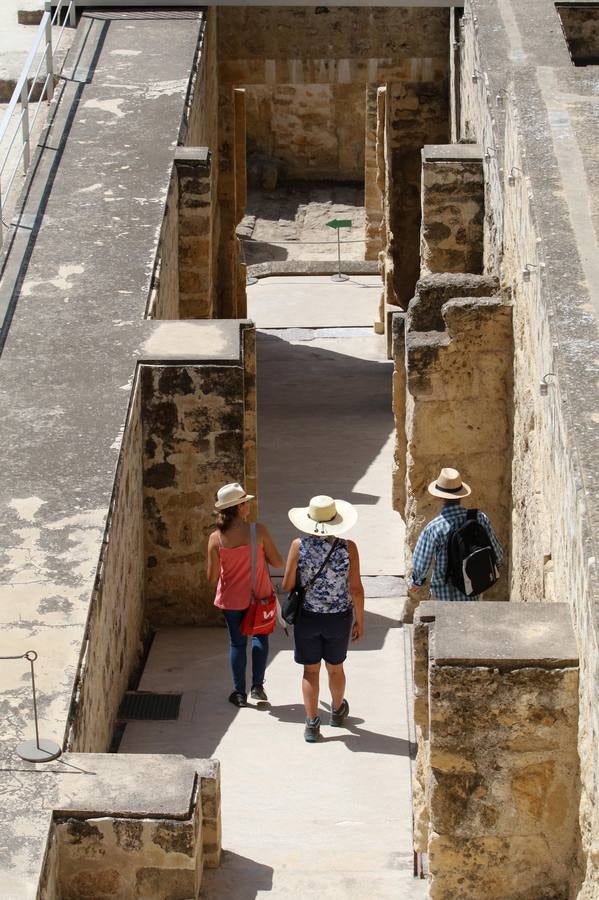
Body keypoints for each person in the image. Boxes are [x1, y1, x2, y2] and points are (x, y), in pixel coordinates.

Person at [282, 494, 365, 743]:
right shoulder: (349, 548)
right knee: (335, 667)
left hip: (308, 617)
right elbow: (356, 589)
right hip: (339, 618)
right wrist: (360, 620)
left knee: (310, 671)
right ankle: (338, 711)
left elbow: (287, 584)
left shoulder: (299, 546)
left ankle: (311, 723)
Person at [207, 482, 284, 707]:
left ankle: (239, 693)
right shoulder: (258, 531)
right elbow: (278, 562)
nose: (249, 504)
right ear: (240, 507)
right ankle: (257, 687)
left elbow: (211, 577)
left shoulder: (215, 538)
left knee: (237, 644)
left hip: (231, 600)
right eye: (245, 501)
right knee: (260, 637)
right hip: (259, 596)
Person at [404, 467, 504, 622]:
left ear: (439, 498)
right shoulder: (480, 518)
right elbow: (497, 552)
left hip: (445, 593)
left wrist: (416, 582)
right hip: (474, 589)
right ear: (461, 496)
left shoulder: (434, 528)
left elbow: (421, 562)